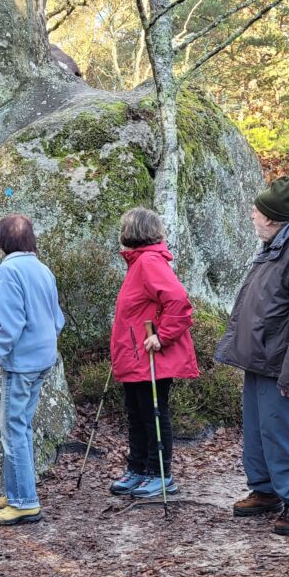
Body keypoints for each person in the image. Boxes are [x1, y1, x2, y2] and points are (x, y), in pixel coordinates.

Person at [215, 176, 289, 536]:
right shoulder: (275, 245)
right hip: (260, 361)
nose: (252, 215)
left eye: (258, 211)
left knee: (282, 433)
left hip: (281, 366)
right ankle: (265, 491)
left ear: (273, 217)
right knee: (258, 432)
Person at [0, 214, 65, 526]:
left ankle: (24, 502)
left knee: (14, 430)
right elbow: (57, 319)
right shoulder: (42, 268)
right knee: (21, 426)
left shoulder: (8, 270)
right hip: (44, 360)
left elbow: (9, 329)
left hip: (22, 365)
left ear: (2, 243)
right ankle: (17, 491)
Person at [107, 207, 200, 499]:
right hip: (135, 358)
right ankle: (138, 469)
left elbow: (180, 303)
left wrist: (161, 337)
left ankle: (160, 474)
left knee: (153, 415)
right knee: (136, 414)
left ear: (132, 233)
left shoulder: (149, 262)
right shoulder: (139, 263)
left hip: (149, 358)